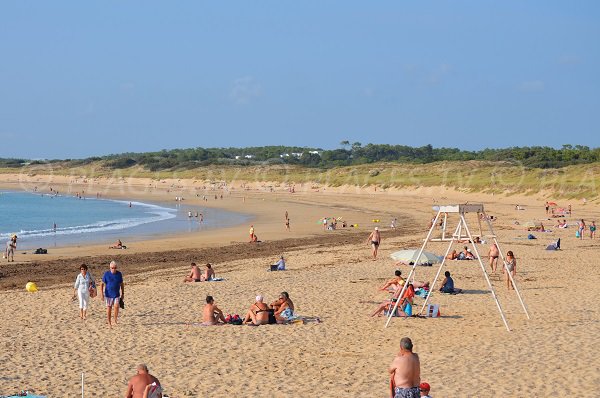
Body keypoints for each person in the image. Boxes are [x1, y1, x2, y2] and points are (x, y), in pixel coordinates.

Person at [101, 260, 124, 327]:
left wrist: (123, 293)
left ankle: (115, 320)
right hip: (108, 294)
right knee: (109, 308)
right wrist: (102, 294)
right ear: (110, 268)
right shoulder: (106, 274)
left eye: (115, 268)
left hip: (116, 294)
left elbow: (122, 284)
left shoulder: (119, 274)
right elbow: (102, 284)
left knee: (116, 306)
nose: (113, 269)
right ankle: (109, 321)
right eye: (112, 268)